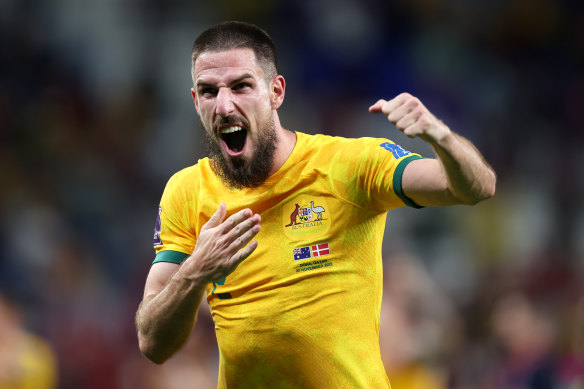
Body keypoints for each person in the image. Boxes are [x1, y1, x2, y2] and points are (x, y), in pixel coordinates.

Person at [135, 21, 496, 388]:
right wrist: (195, 270)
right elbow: (153, 343)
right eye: (208, 91)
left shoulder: (348, 166)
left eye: (241, 86)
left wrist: (441, 137)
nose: (224, 105)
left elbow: (475, 187)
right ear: (196, 102)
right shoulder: (186, 191)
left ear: (275, 92)